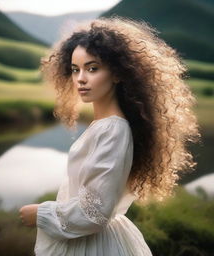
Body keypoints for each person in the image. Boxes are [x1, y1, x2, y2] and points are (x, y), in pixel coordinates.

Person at [19, 16, 201, 256]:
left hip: (95, 244)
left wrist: (41, 213)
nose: (81, 78)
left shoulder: (113, 129)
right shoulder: (105, 125)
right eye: (75, 69)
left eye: (92, 68)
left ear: (117, 74)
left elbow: (94, 214)